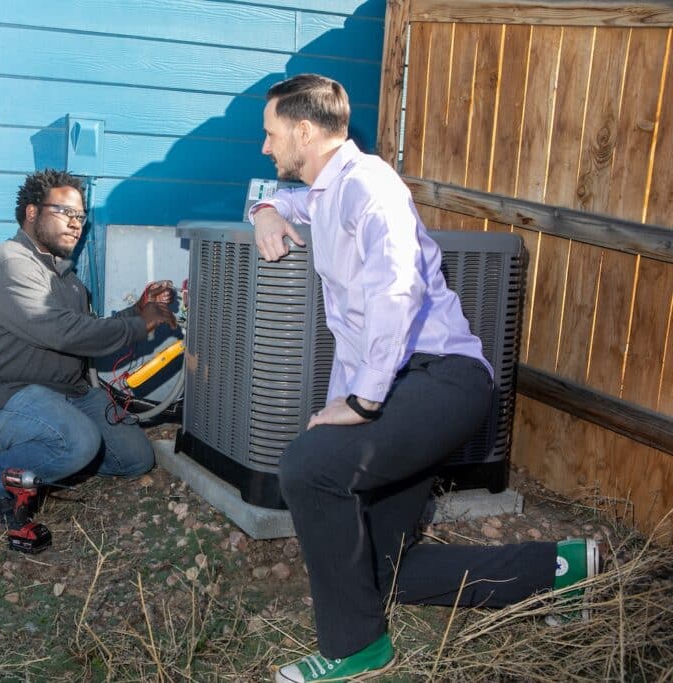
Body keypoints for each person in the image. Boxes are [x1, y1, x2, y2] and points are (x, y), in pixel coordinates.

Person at [249, 74, 600, 682]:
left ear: (303, 131)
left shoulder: (371, 186)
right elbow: (283, 197)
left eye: (271, 133)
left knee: (307, 467)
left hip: (444, 380)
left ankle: (355, 649)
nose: (265, 146)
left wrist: (360, 402)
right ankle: (560, 571)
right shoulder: (328, 191)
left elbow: (396, 290)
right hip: (407, 384)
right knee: (377, 576)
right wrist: (265, 208)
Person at [0, 169, 177, 526]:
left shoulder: (69, 281)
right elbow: (64, 332)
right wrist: (139, 324)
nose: (76, 224)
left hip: (67, 396)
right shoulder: (8, 263)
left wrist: (136, 311)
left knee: (135, 458)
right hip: (3, 400)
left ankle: (47, 462)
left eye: (80, 216)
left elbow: (85, 329)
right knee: (78, 441)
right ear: (32, 213)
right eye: (65, 213)